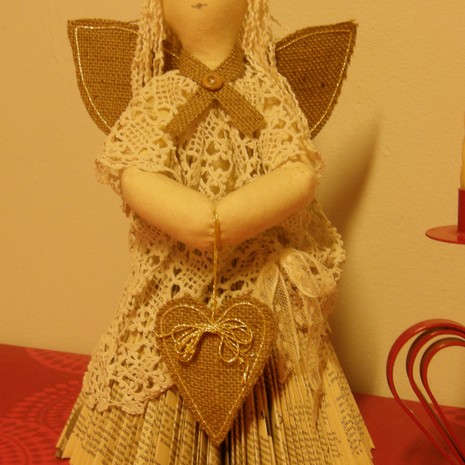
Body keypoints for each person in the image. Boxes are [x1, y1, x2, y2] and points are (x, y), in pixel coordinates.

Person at [57, 0, 374, 463]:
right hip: (175, 279)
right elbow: (134, 171)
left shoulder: (267, 90)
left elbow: (297, 171)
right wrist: (192, 217)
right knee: (159, 354)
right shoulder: (160, 94)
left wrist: (231, 215)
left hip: (259, 282)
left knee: (279, 365)